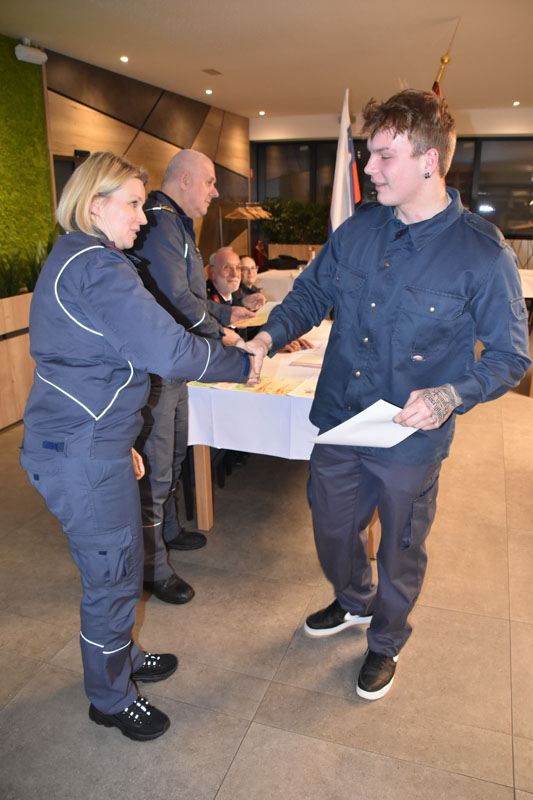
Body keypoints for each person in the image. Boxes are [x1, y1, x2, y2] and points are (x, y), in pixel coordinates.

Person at [246, 89, 531, 701]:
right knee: (331, 527)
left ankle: (386, 638)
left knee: (401, 544)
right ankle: (354, 600)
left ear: (428, 161)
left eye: (383, 156)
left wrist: (450, 395)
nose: (369, 168)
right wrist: (267, 334)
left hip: (410, 434)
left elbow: (511, 357)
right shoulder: (358, 231)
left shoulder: (483, 255)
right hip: (342, 419)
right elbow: (310, 294)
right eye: (369, 154)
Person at [20, 151, 255, 741]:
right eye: (131, 204)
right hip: (82, 450)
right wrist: (242, 365)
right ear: (94, 204)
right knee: (114, 579)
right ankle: (110, 697)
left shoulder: (78, 256)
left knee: (117, 569)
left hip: (87, 441)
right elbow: (168, 350)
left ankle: (120, 658)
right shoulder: (97, 265)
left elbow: (90, 359)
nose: (143, 218)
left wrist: (117, 438)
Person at [130, 150, 254, 605]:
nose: (215, 192)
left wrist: (223, 314)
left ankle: (170, 531)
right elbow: (174, 298)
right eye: (210, 182)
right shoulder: (160, 223)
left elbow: (190, 295)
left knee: (174, 454)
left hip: (177, 365)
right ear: (183, 180)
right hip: (159, 367)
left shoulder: (175, 223)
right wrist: (221, 331)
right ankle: (153, 567)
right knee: (157, 466)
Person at [207, 247, 265, 312]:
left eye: (238, 267)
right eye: (227, 267)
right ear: (212, 273)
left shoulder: (237, 294)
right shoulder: (203, 299)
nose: (235, 274)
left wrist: (244, 303)